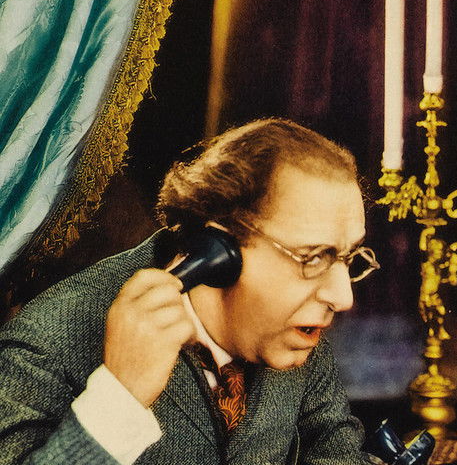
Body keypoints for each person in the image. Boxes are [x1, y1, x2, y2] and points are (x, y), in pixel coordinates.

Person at [0, 118, 383, 464]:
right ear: (221, 249)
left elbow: (337, 452)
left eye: (348, 257)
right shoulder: (45, 343)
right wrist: (120, 398)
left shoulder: (297, 330)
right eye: (314, 258)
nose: (342, 297)